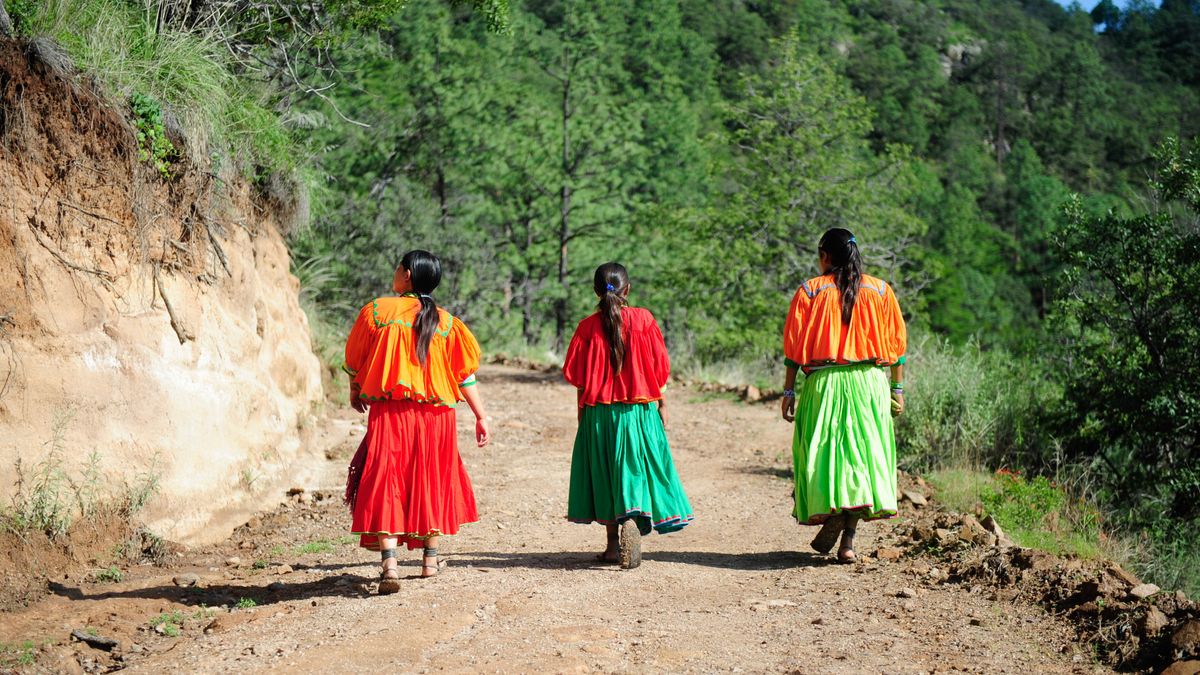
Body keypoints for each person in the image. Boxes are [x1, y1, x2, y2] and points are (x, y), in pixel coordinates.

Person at [342, 250, 492, 594]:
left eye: (397, 267)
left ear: (407, 274)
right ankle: (429, 561)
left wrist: (355, 389)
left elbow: (355, 358)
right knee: (432, 480)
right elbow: (464, 376)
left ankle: (390, 565)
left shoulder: (378, 312)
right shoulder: (448, 322)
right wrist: (481, 415)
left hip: (390, 412)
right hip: (438, 416)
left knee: (386, 479)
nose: (394, 272)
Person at [780, 228, 907, 563]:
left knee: (825, 454)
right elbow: (897, 347)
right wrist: (897, 389)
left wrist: (789, 389)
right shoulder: (880, 290)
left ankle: (833, 505)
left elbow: (793, 348)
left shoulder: (810, 291)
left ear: (825, 256)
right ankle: (848, 541)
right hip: (869, 383)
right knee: (863, 457)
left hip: (824, 383)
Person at [563, 262, 693, 569]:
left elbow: (579, 380)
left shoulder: (585, 328)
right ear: (628, 290)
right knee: (634, 467)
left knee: (606, 472)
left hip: (599, 414)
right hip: (639, 409)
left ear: (596, 292)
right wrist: (662, 402)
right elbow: (659, 369)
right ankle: (632, 516)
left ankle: (611, 546)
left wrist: (582, 415)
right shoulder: (644, 319)